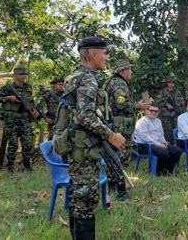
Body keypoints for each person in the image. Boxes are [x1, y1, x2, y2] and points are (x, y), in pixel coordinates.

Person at [63, 36, 126, 239]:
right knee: (86, 199)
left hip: (75, 144)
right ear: (92, 54)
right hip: (84, 146)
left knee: (77, 194)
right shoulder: (88, 78)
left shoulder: (74, 76)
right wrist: (111, 136)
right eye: (104, 53)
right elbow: (84, 116)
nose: (106, 57)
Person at [104, 60, 147, 197]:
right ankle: (121, 191)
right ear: (123, 71)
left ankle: (112, 188)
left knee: (114, 156)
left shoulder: (111, 82)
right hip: (120, 126)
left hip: (115, 125)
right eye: (129, 69)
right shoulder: (119, 84)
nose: (131, 72)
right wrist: (137, 106)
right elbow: (121, 104)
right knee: (121, 157)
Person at [0, 64, 40, 173]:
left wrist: (34, 110)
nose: (23, 76)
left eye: (24, 74)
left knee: (27, 143)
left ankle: (27, 165)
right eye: (20, 74)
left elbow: (30, 102)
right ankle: (10, 166)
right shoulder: (8, 88)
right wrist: (7, 98)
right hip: (12, 121)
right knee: (13, 144)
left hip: (25, 120)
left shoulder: (28, 87)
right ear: (15, 75)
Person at [134, 103, 182, 175]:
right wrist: (159, 144)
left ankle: (167, 170)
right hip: (145, 146)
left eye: (156, 111)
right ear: (146, 111)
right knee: (164, 153)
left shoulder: (158, 121)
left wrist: (164, 142)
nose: (153, 112)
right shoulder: (141, 122)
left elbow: (161, 134)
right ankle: (159, 172)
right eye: (151, 110)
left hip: (158, 144)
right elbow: (145, 137)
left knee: (177, 151)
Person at [157, 78, 185, 142]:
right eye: (169, 82)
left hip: (176, 113)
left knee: (177, 129)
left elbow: (182, 102)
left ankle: (177, 144)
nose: (171, 84)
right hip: (166, 114)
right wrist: (166, 104)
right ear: (167, 83)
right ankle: (169, 145)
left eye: (172, 83)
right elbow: (158, 102)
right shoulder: (162, 92)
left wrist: (182, 112)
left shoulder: (178, 92)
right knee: (167, 130)